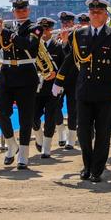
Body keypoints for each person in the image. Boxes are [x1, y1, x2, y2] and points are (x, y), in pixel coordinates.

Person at [52, 0, 111, 183]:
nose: (94, 14)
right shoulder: (79, 34)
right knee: (83, 132)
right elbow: (70, 59)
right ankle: (87, 164)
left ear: (105, 14)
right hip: (84, 90)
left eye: (98, 11)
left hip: (106, 92)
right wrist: (58, 81)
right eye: (92, 11)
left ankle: (97, 169)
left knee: (102, 133)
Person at [0, 0, 39, 170]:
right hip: (6, 75)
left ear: (28, 11)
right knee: (2, 113)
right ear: (13, 12)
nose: (20, 13)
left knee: (25, 117)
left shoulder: (35, 27)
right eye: (17, 10)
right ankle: (11, 144)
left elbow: (29, 45)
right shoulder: (7, 28)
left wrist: (5, 31)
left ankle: (24, 155)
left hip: (26, 75)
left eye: (23, 10)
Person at [32, 17, 63, 158]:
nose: (43, 32)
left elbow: (63, 67)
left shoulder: (58, 46)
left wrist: (58, 80)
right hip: (36, 87)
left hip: (52, 88)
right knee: (33, 116)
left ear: (51, 30)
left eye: (46, 29)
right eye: (41, 29)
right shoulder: (33, 45)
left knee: (51, 117)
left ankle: (46, 147)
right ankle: (38, 137)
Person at [55, 11, 78, 149]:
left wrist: (65, 41)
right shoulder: (57, 38)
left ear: (72, 23)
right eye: (63, 23)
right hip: (59, 79)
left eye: (68, 23)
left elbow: (72, 56)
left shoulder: (77, 36)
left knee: (72, 108)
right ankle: (61, 131)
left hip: (74, 77)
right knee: (55, 107)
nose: (65, 25)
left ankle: (71, 139)